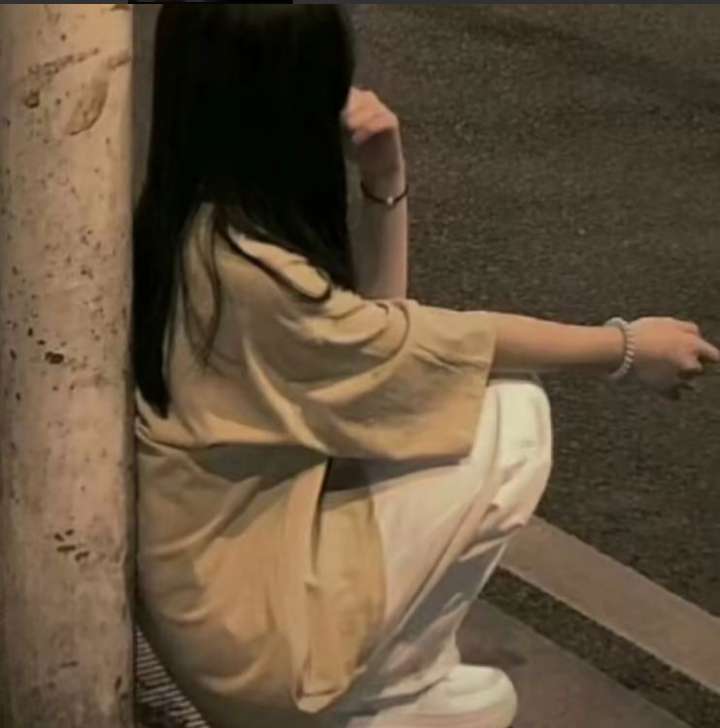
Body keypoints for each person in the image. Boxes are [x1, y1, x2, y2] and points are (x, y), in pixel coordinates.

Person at [132, 6, 719, 728]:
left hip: (219, 601)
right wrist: (624, 349)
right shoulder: (247, 271)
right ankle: (383, 693)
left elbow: (383, 336)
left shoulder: (195, 223)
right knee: (510, 410)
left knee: (482, 692)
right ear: (294, 100)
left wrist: (386, 176)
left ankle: (395, 686)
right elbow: (444, 343)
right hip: (251, 641)